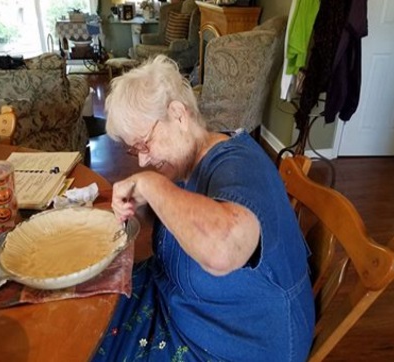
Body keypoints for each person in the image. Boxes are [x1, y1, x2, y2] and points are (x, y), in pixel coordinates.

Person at [93, 55, 314, 362]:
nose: (142, 160)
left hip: (243, 342)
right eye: (135, 150)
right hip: (185, 311)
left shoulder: (238, 164)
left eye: (144, 144)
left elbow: (224, 248)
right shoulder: (190, 166)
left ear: (179, 115)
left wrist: (151, 185)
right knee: (92, 296)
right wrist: (151, 199)